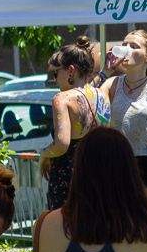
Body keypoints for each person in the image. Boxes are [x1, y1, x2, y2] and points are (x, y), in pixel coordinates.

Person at [101, 29, 147, 214]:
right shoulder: (111, 84)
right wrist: (106, 71)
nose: (126, 49)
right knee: (121, 226)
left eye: (134, 46)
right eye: (124, 45)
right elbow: (89, 103)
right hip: (119, 163)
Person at [37, 38, 103, 212]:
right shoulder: (101, 96)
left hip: (68, 177)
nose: (55, 79)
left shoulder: (62, 98)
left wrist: (44, 155)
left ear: (71, 71)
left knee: (64, 232)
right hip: (98, 172)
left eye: (55, 74)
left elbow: (61, 144)